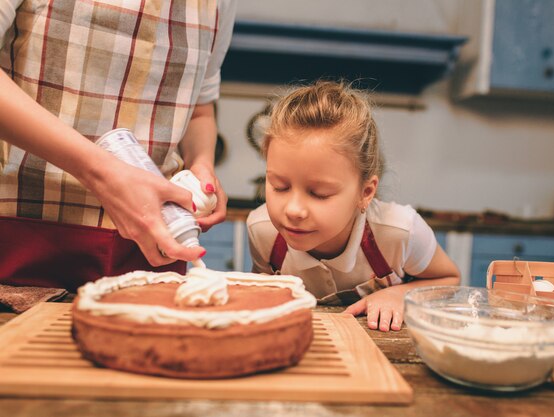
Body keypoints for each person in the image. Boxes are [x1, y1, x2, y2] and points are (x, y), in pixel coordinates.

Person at [0, 0, 235, 290]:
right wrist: (101, 172)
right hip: (20, 237)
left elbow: (199, 106)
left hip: (152, 249)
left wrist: (202, 164)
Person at [247, 81, 461, 332]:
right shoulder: (264, 233)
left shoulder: (400, 232)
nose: (293, 210)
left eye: (320, 194)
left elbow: (449, 281)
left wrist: (398, 295)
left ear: (365, 192)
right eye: (279, 186)